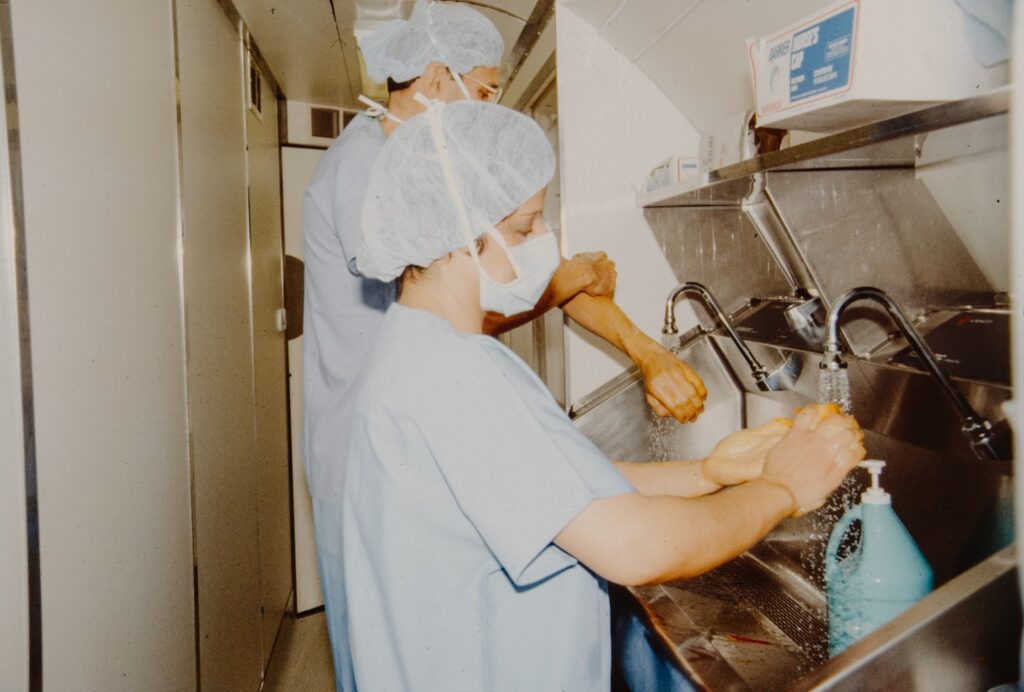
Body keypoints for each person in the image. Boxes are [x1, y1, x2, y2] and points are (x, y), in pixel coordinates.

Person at [330, 98, 866, 690]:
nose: (544, 242)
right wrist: (781, 487)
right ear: (459, 234)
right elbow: (634, 546)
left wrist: (707, 474)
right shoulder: (453, 375)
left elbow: (553, 483)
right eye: (524, 228)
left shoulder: (417, 348)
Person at [303, 3, 703, 684]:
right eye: (485, 92)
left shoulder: (434, 171)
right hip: (364, 451)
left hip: (406, 440)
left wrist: (646, 349)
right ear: (436, 75)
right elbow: (469, 297)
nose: (487, 110)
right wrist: (565, 279)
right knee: (390, 650)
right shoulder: (374, 170)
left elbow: (509, 270)